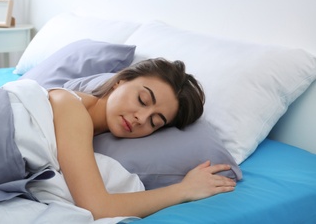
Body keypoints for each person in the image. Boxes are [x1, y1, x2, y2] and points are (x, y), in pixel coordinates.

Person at [48, 58, 236, 219]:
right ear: (120, 81)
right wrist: (184, 190)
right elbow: (98, 208)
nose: (142, 118)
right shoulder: (72, 107)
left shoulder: (85, 127)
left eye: (154, 122)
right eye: (142, 100)